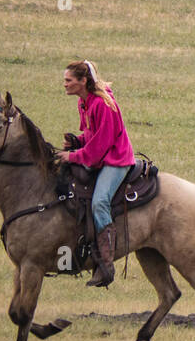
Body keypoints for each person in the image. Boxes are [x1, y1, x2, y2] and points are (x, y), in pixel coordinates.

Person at [54, 60, 135, 286]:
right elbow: (93, 135)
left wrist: (73, 156)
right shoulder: (84, 102)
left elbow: (100, 146)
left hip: (116, 160)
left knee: (100, 201)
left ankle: (106, 263)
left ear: (83, 81)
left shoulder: (102, 104)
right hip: (101, 155)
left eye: (68, 80)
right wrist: (77, 141)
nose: (65, 84)